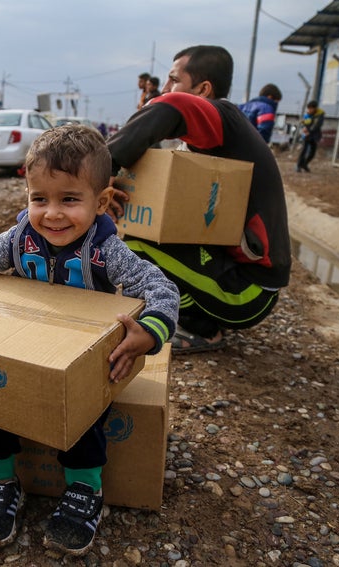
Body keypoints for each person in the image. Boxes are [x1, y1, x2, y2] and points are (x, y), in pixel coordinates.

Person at [0, 124, 179, 555]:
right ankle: (1, 478)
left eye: (69, 199)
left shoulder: (105, 250)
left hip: (82, 361)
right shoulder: (17, 240)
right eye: (39, 198)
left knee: (85, 418)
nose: (52, 214)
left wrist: (151, 330)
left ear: (100, 202)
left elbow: (161, 288)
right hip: (25, 353)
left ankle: (85, 487)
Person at [107, 45, 291, 354]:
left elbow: (172, 106)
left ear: (203, 89)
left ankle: (200, 328)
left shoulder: (225, 120)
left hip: (248, 294)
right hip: (235, 275)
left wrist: (103, 168)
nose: (164, 88)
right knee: (139, 229)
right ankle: (185, 312)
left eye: (173, 79)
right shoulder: (209, 143)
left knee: (133, 242)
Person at [296, 100, 325, 172]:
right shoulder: (308, 115)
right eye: (308, 108)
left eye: (311, 108)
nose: (309, 110)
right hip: (307, 135)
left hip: (314, 135)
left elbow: (317, 125)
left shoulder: (320, 115)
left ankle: (304, 164)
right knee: (304, 150)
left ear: (315, 108)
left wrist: (309, 131)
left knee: (312, 152)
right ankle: (299, 166)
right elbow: (305, 122)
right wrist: (304, 127)